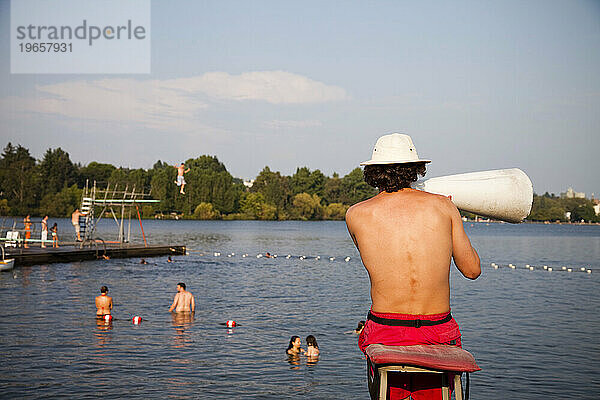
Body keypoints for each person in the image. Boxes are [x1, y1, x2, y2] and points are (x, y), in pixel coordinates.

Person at [345, 133, 481, 400]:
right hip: (438, 331)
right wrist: (452, 214)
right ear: (416, 169)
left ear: (372, 171)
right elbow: (472, 270)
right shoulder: (444, 206)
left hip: (386, 330)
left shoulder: (355, 214)